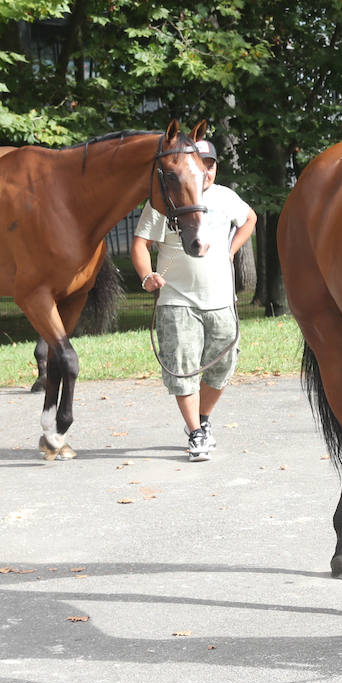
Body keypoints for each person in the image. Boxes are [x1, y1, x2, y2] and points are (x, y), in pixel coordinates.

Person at [131, 138, 255, 461]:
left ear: (213, 167)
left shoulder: (226, 198)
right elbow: (139, 244)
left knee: (224, 363)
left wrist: (230, 251)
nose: (206, 170)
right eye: (201, 164)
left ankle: (201, 420)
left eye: (210, 164)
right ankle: (196, 433)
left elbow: (250, 219)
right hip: (177, 299)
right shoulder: (167, 199)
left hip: (220, 300)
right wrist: (148, 277)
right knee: (182, 367)